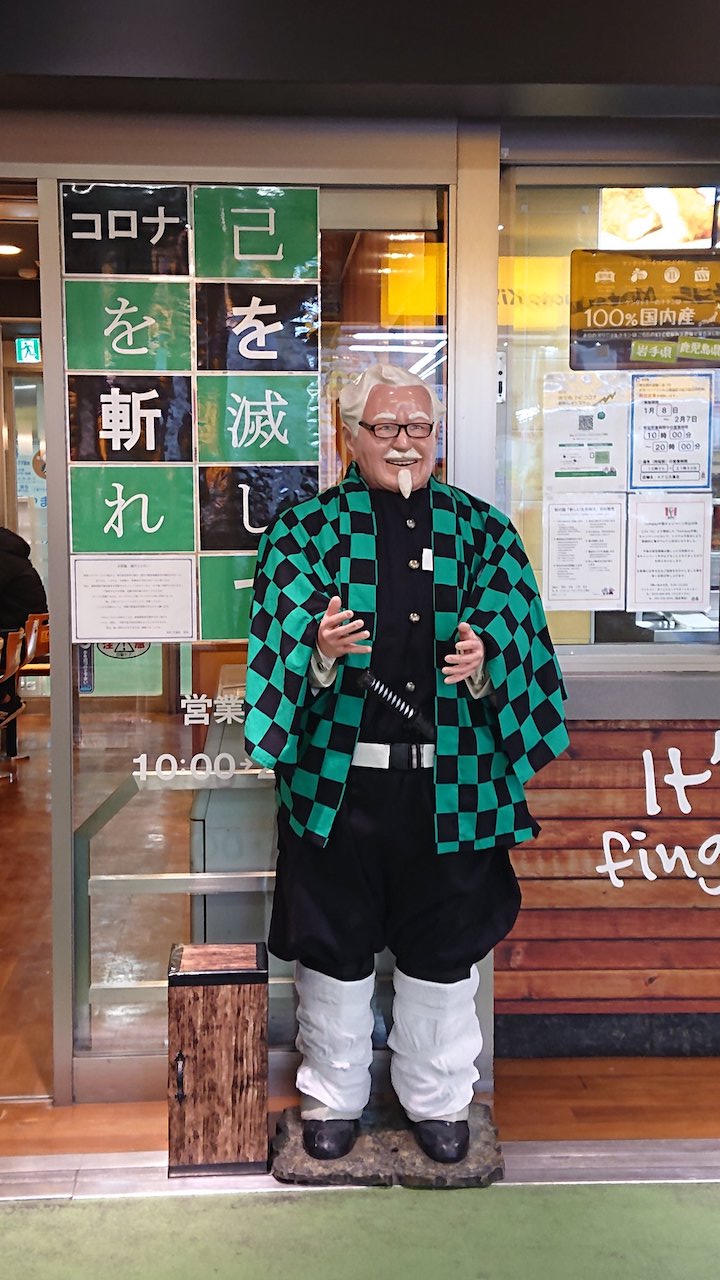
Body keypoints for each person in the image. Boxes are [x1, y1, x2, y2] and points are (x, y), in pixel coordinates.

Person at [244, 363, 568, 1165]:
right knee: (337, 944)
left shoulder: (484, 531)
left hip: (451, 778)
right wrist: (317, 652)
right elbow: (277, 637)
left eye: (418, 428)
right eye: (385, 427)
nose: (403, 443)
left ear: (438, 439)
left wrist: (488, 660)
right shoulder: (304, 531)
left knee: (443, 943)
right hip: (341, 779)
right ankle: (333, 1096)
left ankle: (439, 1098)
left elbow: (521, 635)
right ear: (348, 438)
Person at [0, 527, 48, 727]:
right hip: (21, 639)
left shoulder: (4, 561)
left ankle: (6, 699)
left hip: (15, 641)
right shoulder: (12, 557)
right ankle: (6, 697)